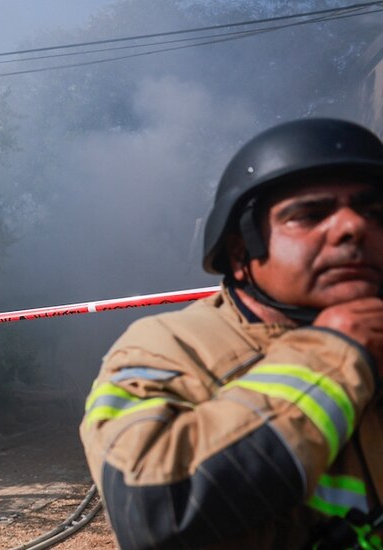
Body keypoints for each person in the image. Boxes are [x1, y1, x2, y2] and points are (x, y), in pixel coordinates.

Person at [80, 117, 383, 550]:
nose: (354, 227)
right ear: (241, 251)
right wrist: (333, 356)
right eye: (310, 214)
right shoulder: (167, 348)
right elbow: (151, 510)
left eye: (375, 213)